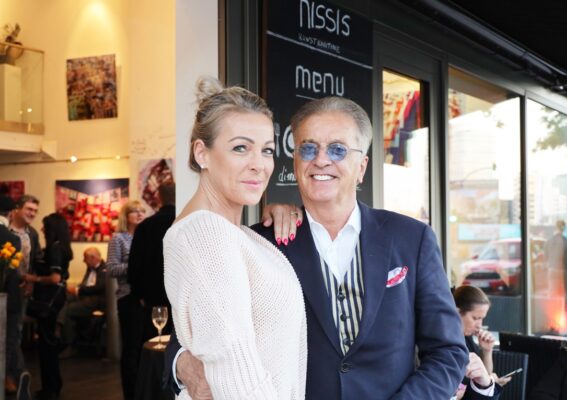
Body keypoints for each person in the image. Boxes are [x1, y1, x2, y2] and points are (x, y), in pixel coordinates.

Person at [166, 95, 472, 399]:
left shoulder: (412, 238)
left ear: (362, 167)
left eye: (338, 149)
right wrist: (181, 364)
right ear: (296, 161)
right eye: (308, 148)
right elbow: (202, 329)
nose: (321, 160)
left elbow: (448, 351)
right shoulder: (262, 242)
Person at [162, 77, 306, 399]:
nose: (259, 165)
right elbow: (237, 375)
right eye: (241, 148)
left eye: (267, 150)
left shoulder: (233, 234)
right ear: (202, 153)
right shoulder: (204, 234)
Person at [23, 213, 73, 400]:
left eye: (45, 225)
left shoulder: (54, 248)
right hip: (55, 299)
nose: (42, 229)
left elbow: (54, 278)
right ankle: (53, 386)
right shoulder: (62, 247)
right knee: (48, 344)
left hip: (48, 300)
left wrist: (33, 278)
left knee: (47, 346)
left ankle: (50, 388)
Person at [106, 200, 145, 400]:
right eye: (135, 211)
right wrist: (135, 265)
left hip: (145, 298)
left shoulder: (144, 237)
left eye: (142, 211)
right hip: (127, 297)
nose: (140, 214)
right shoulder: (118, 239)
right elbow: (111, 268)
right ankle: (130, 393)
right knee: (131, 348)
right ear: (126, 216)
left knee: (143, 348)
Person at [128, 181, 176, 342]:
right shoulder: (186, 223)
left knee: (155, 342)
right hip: (182, 297)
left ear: (159, 197)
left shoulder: (145, 226)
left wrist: (138, 294)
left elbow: (135, 265)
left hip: (153, 297)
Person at [1, 195, 31, 399]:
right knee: (9, 340)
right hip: (7, 299)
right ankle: (14, 377)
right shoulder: (11, 238)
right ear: (11, 213)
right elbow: (11, 273)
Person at [453, 285, 507, 399]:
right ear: (456, 312)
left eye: (482, 318)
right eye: (475, 318)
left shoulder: (466, 338)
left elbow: (481, 376)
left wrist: (487, 350)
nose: (480, 325)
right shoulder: (442, 342)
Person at [60, 247, 107, 351]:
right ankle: (59, 331)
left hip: (95, 301)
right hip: (85, 297)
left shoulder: (105, 269)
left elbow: (99, 287)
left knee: (68, 310)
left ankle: (69, 344)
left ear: (93, 258)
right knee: (63, 299)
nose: (83, 261)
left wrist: (78, 290)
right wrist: (76, 289)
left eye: (85, 258)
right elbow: (85, 283)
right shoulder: (90, 268)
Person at [545, 220, 567, 319]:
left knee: (553, 294)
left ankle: (552, 316)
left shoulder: (549, 241)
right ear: (564, 228)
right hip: (564, 271)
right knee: (566, 293)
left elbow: (546, 256)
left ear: (555, 227)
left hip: (552, 270)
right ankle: (564, 315)